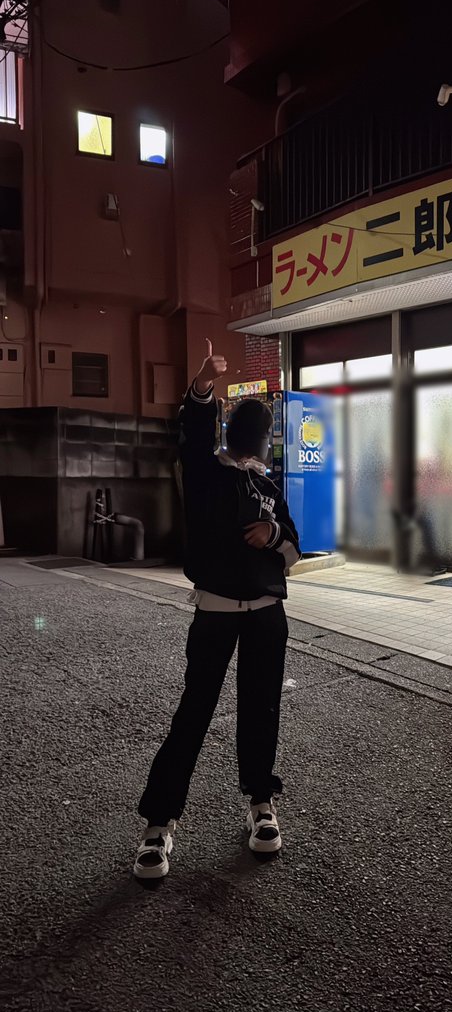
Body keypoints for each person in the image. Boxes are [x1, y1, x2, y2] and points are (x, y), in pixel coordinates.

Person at [134, 340, 301, 880]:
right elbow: (192, 437)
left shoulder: (269, 486)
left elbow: (294, 545)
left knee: (261, 708)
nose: (259, 441)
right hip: (215, 609)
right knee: (194, 711)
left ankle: (261, 803)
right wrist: (203, 387)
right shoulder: (207, 473)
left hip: (267, 614)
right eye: (260, 432)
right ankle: (160, 823)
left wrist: (273, 531)